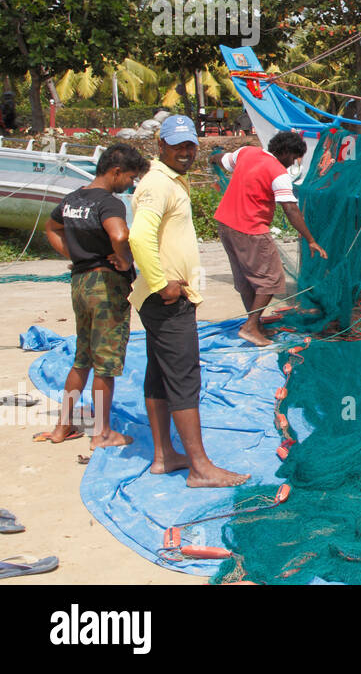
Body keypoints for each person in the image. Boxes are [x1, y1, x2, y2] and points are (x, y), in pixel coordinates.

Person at [128, 115, 248, 488]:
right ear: (159, 146)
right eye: (178, 145)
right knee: (184, 379)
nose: (186, 152)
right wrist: (162, 282)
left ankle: (165, 456)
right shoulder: (158, 184)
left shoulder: (169, 182)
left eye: (190, 145)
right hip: (167, 298)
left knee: (160, 376)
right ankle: (199, 466)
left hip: (165, 296)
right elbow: (139, 237)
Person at [37, 143, 151, 449]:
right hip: (105, 287)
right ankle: (101, 433)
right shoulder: (109, 203)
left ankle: (63, 428)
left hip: (80, 282)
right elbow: (119, 235)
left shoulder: (73, 199)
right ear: (115, 172)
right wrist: (124, 260)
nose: (131, 183)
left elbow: (51, 227)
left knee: (82, 358)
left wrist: (75, 254)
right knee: (106, 364)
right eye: (130, 177)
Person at [210, 130, 326, 347]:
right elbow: (291, 209)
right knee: (271, 280)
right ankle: (250, 327)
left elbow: (222, 160)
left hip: (225, 225)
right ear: (284, 152)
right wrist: (310, 239)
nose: (291, 164)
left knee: (246, 279)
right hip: (250, 229)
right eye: (292, 159)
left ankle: (255, 324)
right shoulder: (278, 173)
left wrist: (213, 157)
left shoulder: (247, 152)